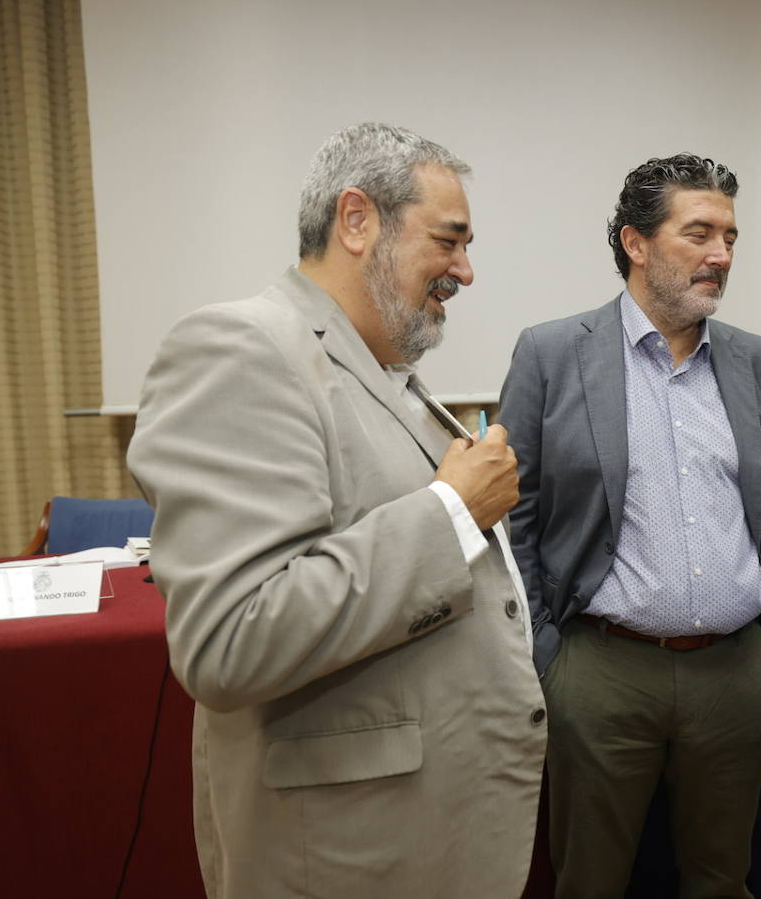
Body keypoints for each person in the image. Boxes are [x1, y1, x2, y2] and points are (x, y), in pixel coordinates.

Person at [127, 123, 546, 899]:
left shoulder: (376, 364)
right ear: (357, 221)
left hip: (420, 834)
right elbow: (231, 641)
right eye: (449, 241)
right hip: (347, 854)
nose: (466, 270)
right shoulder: (243, 348)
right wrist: (453, 511)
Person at [499, 154, 761, 899]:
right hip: (601, 671)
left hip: (739, 672)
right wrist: (548, 653)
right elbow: (514, 508)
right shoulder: (551, 354)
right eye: (699, 233)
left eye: (731, 237)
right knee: (591, 881)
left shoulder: (760, 363)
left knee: (720, 880)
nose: (721, 256)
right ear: (635, 243)